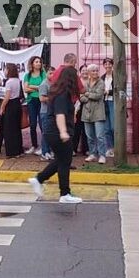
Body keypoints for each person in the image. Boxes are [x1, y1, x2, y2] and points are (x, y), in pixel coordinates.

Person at [28, 66, 83, 203]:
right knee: (65, 161)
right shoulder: (62, 95)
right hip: (58, 132)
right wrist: (63, 132)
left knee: (61, 160)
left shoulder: (59, 92)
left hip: (53, 132)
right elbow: (60, 114)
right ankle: (64, 194)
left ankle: (39, 179)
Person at [81, 64, 107, 164]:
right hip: (86, 112)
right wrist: (87, 96)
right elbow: (81, 97)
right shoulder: (85, 83)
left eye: (96, 71)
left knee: (100, 135)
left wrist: (87, 94)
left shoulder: (101, 83)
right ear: (89, 73)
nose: (95, 72)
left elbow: (98, 96)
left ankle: (102, 155)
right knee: (89, 136)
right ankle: (92, 154)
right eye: (93, 71)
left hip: (98, 112)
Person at [0, 63, 24, 158]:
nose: (4, 71)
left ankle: (12, 151)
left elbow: (7, 96)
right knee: (16, 128)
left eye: (5, 69)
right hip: (17, 104)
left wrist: (2, 108)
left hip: (11, 105)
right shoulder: (18, 80)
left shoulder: (9, 82)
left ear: (9, 70)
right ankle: (19, 150)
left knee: (8, 129)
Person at [23, 56, 46, 155]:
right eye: (36, 62)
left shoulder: (43, 74)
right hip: (31, 101)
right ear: (32, 64)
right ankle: (34, 145)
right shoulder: (27, 75)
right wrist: (38, 88)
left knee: (42, 124)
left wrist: (31, 86)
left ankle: (43, 147)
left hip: (41, 100)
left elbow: (44, 87)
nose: (38, 64)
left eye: (39, 62)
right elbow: (25, 89)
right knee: (32, 124)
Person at [37, 66, 55, 161]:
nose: (52, 75)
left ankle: (50, 151)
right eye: (50, 73)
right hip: (45, 112)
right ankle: (44, 152)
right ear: (46, 74)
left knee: (52, 133)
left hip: (52, 111)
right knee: (46, 133)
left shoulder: (54, 84)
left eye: (54, 73)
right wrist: (53, 99)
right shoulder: (44, 84)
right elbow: (42, 98)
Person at [102, 58, 114, 157]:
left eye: (109, 64)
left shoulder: (116, 76)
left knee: (114, 127)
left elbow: (118, 89)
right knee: (106, 128)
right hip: (104, 103)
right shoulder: (102, 77)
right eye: (105, 64)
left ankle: (115, 148)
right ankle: (109, 148)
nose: (107, 66)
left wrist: (108, 92)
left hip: (113, 102)